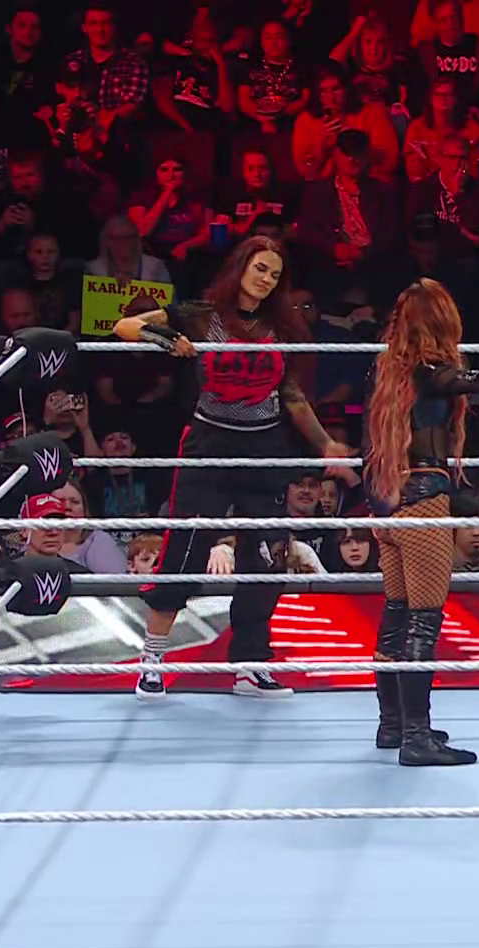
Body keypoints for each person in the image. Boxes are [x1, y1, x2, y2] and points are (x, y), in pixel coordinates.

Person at [114, 237, 353, 701]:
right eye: (260, 268)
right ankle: (153, 660)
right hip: (210, 444)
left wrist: (325, 443)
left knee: (266, 557)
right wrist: (165, 339)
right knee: (184, 550)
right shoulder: (202, 316)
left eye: (275, 275)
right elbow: (126, 325)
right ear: (241, 267)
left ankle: (250, 664)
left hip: (264, 448)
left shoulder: (281, 327)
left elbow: (292, 395)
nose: (266, 280)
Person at [364, 278, 479, 766]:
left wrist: (377, 507)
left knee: (397, 613)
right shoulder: (426, 371)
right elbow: (459, 379)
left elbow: (367, 445)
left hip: (389, 502)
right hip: (422, 502)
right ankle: (416, 738)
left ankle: (393, 724)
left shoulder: (384, 370)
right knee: (422, 618)